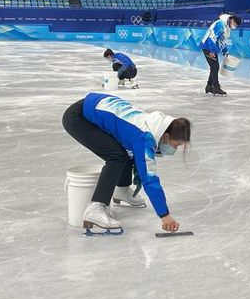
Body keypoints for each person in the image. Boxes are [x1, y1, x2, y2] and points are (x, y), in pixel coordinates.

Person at [62, 93, 191, 234]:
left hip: (95, 107)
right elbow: (149, 178)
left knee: (124, 152)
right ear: (166, 136)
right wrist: (164, 215)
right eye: (176, 145)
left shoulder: (155, 124)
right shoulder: (143, 138)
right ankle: (96, 208)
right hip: (79, 117)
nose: (174, 149)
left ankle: (121, 190)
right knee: (116, 157)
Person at [200, 13, 241, 96]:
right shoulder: (220, 25)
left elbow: (223, 41)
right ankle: (215, 87)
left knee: (214, 67)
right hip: (208, 46)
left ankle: (209, 86)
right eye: (235, 24)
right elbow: (212, 38)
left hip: (213, 48)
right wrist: (212, 51)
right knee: (215, 67)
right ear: (232, 20)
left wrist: (225, 51)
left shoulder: (226, 27)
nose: (235, 26)